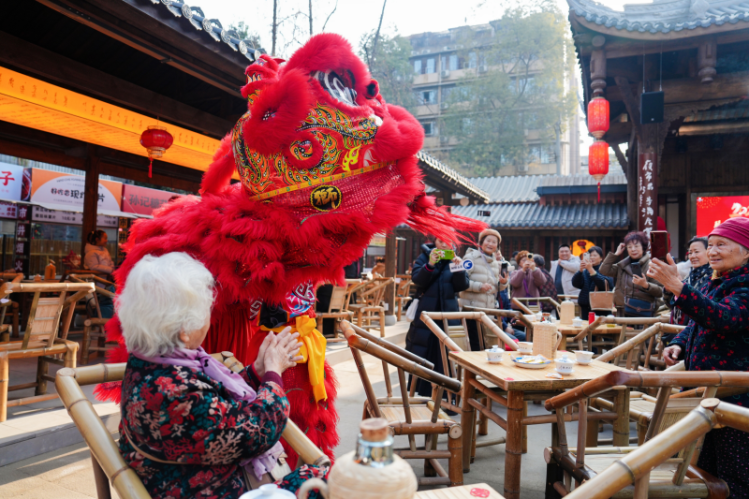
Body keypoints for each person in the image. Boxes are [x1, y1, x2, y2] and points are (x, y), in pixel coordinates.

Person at [117, 252, 327, 499]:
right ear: (185, 330)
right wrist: (273, 373)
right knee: (332, 481)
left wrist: (256, 373)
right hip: (220, 492)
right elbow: (259, 432)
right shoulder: (177, 391)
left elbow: (216, 412)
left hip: (194, 482)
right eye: (206, 310)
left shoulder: (148, 365)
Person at [651, 218, 749, 497]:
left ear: (746, 252)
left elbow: (726, 318)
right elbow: (697, 323)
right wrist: (679, 344)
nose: (712, 251)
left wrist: (678, 287)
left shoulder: (745, 284)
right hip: (708, 393)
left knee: (735, 474)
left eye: (722, 245)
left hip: (736, 397)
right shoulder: (716, 279)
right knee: (708, 468)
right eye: (711, 245)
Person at [405, 238, 469, 395]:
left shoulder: (455, 259)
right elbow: (417, 280)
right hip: (426, 315)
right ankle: (422, 390)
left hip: (448, 314)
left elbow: (462, 286)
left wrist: (459, 269)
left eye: (447, 241)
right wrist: (430, 264)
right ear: (435, 241)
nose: (444, 244)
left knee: (446, 354)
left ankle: (447, 394)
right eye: (440, 241)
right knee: (424, 350)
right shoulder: (424, 256)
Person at [460, 229, 506, 350]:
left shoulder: (495, 263)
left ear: (497, 246)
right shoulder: (470, 258)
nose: (490, 244)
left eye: (494, 242)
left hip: (488, 312)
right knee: (474, 346)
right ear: (481, 242)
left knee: (486, 346)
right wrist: (479, 286)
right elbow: (460, 282)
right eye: (488, 241)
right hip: (471, 312)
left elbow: (494, 288)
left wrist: (503, 283)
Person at [600, 231, 663, 317]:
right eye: (629, 247)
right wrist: (616, 254)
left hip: (643, 311)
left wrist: (645, 285)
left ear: (643, 247)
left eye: (636, 246)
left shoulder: (651, 266)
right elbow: (603, 270)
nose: (633, 249)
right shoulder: (622, 266)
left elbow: (660, 291)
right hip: (622, 311)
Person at [665, 237, 711, 328]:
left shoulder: (713, 277)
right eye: (690, 253)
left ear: (709, 252)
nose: (692, 256)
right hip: (680, 330)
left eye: (696, 252)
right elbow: (671, 305)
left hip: (696, 330)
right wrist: (669, 290)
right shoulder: (690, 277)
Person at [571, 246, 614, 319]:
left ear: (601, 258)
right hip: (586, 306)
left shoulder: (606, 270)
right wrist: (580, 271)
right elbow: (575, 284)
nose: (592, 257)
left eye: (595, 255)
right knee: (586, 325)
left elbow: (604, 285)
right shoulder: (585, 271)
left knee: (601, 326)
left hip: (601, 307)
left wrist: (591, 270)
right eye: (590, 255)